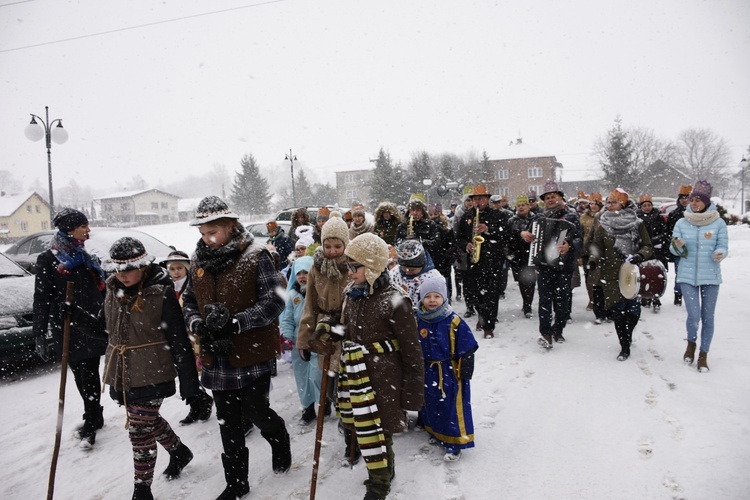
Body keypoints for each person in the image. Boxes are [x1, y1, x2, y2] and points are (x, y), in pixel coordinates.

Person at [181, 196, 290, 499]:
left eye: (213, 231)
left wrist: (237, 322)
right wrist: (196, 324)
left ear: (231, 226)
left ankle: (279, 437)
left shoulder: (256, 256)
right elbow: (189, 301)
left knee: (255, 410)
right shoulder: (197, 261)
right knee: (228, 421)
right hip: (217, 353)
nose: (207, 238)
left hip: (252, 349)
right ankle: (236, 484)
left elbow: (276, 300)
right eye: (203, 233)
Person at [308, 233, 424, 500]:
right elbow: (344, 324)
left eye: (354, 267)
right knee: (368, 428)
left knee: (379, 431)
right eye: (348, 266)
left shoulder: (396, 300)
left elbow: (412, 351)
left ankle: (378, 486)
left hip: (384, 378)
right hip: (356, 375)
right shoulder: (353, 293)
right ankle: (387, 470)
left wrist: (412, 393)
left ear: (372, 267)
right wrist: (326, 331)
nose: (349, 273)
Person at [99, 238, 201, 500]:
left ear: (144, 265)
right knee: (146, 421)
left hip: (155, 370)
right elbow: (104, 328)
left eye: (129, 268)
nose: (122, 274)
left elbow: (179, 340)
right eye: (118, 269)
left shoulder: (161, 292)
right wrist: (74, 316)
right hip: (123, 371)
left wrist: (191, 382)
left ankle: (142, 490)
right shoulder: (112, 290)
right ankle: (179, 451)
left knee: (138, 430)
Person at [32, 208, 107, 448]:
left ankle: (92, 417)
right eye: (83, 225)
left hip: (90, 323)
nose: (88, 230)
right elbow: (41, 298)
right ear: (69, 229)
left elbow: (99, 288)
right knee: (79, 373)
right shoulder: (48, 259)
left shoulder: (85, 255)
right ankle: (93, 411)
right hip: (66, 325)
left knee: (91, 372)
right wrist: (39, 333)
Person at [296, 214, 352, 461]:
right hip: (324, 334)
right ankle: (343, 419)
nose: (331, 251)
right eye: (327, 246)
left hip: (349, 333)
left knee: (349, 387)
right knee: (330, 388)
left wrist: (344, 326)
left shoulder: (353, 265)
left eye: (337, 246)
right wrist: (304, 339)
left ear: (346, 244)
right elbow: (310, 304)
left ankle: (353, 435)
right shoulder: (316, 267)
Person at [415, 273, 478, 462]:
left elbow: (468, 346)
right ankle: (437, 433)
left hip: (449, 371)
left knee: (450, 406)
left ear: (444, 297)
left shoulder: (453, 320)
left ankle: (454, 443)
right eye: (428, 296)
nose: (432, 301)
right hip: (426, 369)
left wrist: (465, 370)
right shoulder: (418, 318)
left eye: (436, 296)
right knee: (431, 404)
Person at [670, 180, 728, 372]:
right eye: (691, 199)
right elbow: (673, 249)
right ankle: (691, 343)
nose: (693, 203)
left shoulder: (718, 223)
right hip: (687, 276)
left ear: (706, 201)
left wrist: (720, 253)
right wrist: (677, 245)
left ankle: (703, 354)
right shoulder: (682, 221)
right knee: (694, 316)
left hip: (710, 275)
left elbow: (723, 245)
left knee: (708, 317)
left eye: (697, 200)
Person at [589, 189, 653, 361]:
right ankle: (624, 346)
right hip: (611, 274)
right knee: (618, 311)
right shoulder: (603, 224)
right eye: (608, 202)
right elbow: (596, 246)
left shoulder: (636, 223)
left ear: (623, 204)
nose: (609, 205)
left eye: (613, 202)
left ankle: (628, 334)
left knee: (633, 312)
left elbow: (648, 245)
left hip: (633, 273)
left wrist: (640, 255)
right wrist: (593, 259)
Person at [159, 250, 214, 426]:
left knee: (195, 371)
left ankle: (203, 401)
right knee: (185, 375)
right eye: (172, 269)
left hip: (192, 336)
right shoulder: (166, 287)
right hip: (176, 338)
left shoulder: (193, 286)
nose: (175, 272)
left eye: (179, 268)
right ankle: (196, 404)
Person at [456, 184, 510, 339]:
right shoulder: (466, 216)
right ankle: (482, 316)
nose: (478, 202)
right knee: (475, 293)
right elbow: (458, 238)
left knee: (492, 294)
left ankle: (489, 325)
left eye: (481, 198)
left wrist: (488, 229)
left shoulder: (498, 215)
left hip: (493, 260)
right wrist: (465, 244)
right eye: (475, 199)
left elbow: (505, 235)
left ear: (487, 199)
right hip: (474, 261)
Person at [533, 181, 582, 348]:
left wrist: (569, 245)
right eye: (547, 197)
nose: (550, 199)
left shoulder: (571, 215)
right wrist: (524, 233)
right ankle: (545, 334)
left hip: (564, 266)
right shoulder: (539, 216)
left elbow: (579, 239)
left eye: (554, 196)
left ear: (561, 197)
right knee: (544, 300)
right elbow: (529, 233)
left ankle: (558, 329)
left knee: (562, 302)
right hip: (544, 265)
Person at [279, 256, 323, 424]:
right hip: (299, 340)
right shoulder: (292, 295)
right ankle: (308, 407)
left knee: (316, 374)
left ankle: (323, 402)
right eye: (299, 273)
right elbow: (288, 318)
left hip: (316, 339)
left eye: (306, 272)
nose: (302, 277)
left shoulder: (318, 291)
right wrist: (287, 337)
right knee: (302, 376)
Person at [508, 194, 539, 318]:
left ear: (528, 206)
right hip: (518, 255)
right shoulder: (512, 220)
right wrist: (519, 234)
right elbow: (508, 236)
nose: (521, 207)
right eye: (519, 205)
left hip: (532, 254)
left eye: (523, 205)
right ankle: (526, 302)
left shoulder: (536, 219)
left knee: (530, 281)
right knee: (522, 281)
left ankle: (528, 305)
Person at [636, 194, 669, 312]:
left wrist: (652, 241)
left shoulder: (658, 218)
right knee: (642, 274)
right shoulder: (637, 219)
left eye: (648, 205)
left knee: (656, 275)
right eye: (644, 205)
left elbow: (664, 233)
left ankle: (656, 299)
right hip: (642, 250)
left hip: (656, 250)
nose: (646, 208)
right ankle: (642, 297)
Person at [389, 239, 444, 308]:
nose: (407, 271)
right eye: (404, 268)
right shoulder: (395, 273)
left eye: (412, 270)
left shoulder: (432, 277)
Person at [581, 192, 607, 323]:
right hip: (589, 252)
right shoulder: (584, 218)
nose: (592, 206)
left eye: (595, 203)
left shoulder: (603, 216)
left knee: (603, 281)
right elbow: (584, 235)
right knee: (590, 279)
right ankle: (592, 301)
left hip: (603, 252)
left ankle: (605, 307)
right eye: (590, 203)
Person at [667, 185, 693, 306]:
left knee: (691, 274)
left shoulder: (695, 214)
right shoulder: (674, 214)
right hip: (678, 249)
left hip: (693, 249)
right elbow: (668, 232)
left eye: (686, 197)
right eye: (682, 197)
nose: (684, 200)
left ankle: (690, 296)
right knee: (680, 273)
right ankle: (678, 295)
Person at [394, 193, 439, 257]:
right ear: (409, 211)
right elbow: (397, 243)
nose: (415, 213)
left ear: (423, 212)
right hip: (407, 259)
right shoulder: (402, 226)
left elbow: (436, 243)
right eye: (412, 210)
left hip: (426, 258)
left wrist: (420, 242)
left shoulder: (431, 225)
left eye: (418, 210)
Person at [427, 202, 455, 302]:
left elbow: (452, 244)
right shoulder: (428, 228)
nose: (433, 217)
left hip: (443, 261)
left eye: (435, 214)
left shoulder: (445, 228)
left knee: (445, 283)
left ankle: (446, 299)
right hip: (433, 260)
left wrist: (447, 256)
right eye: (431, 215)